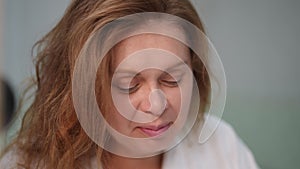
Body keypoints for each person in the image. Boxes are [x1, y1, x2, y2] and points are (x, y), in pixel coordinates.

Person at [0, 0, 259, 168]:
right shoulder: (30, 164)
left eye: (172, 79)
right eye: (129, 85)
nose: (156, 105)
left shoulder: (220, 148)